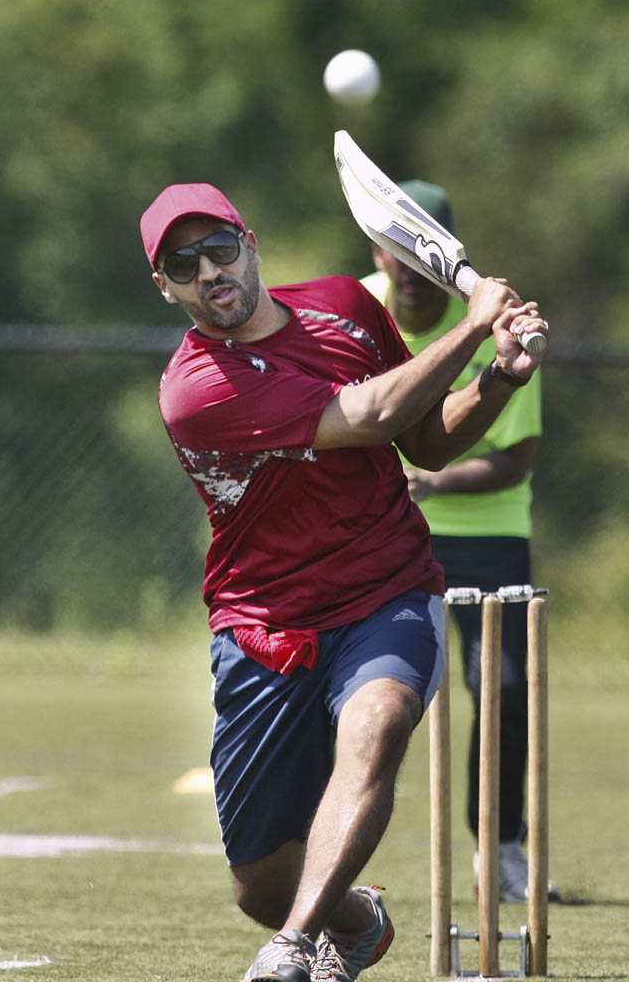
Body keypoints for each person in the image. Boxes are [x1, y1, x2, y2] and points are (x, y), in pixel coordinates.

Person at [139, 181, 549, 982]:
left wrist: (497, 378)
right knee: (260, 883)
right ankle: (352, 918)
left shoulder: (342, 307)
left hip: (385, 586)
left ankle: (292, 949)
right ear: (165, 286)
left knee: (379, 722)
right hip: (265, 622)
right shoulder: (197, 390)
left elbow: (424, 442)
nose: (208, 271)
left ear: (248, 241)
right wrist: (471, 323)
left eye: (218, 247)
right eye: (182, 263)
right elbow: (365, 417)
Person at [361, 179, 559, 903]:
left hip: (486, 536)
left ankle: (500, 849)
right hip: (382, 532)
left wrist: (433, 483)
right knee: (356, 690)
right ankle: (317, 847)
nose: (409, 269)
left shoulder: (502, 320)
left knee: (503, 688)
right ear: (377, 249)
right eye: (397, 251)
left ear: (448, 256)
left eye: (424, 252)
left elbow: (514, 458)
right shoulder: (354, 309)